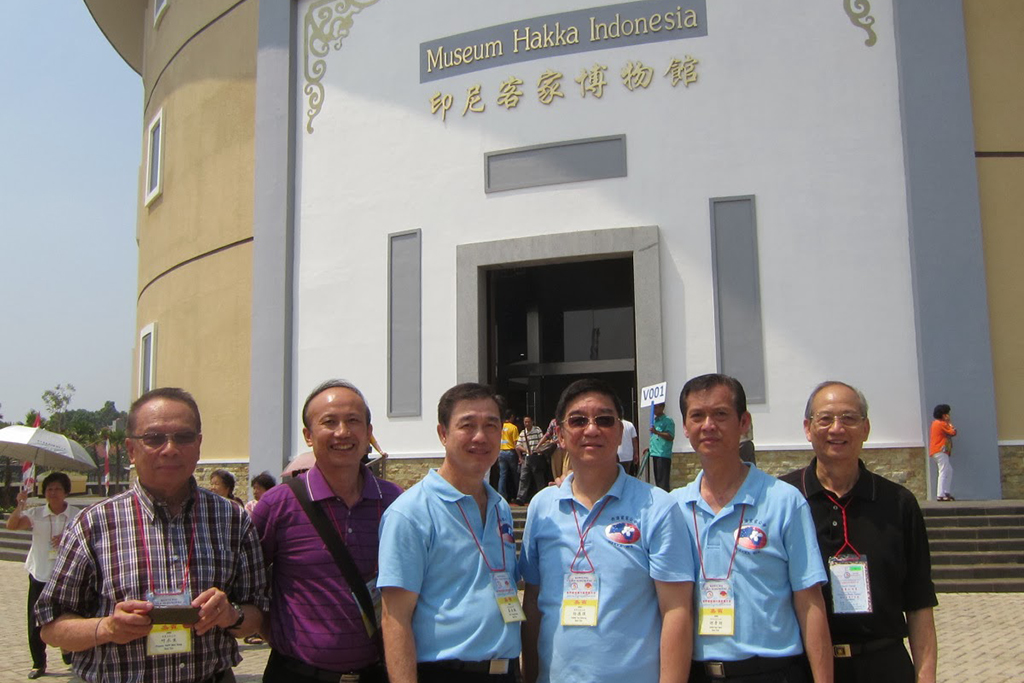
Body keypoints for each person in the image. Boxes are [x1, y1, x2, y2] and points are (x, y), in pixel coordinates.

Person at [35, 387, 268, 683]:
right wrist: (108, 628)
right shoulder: (93, 524)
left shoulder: (233, 520)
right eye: (154, 438)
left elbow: (257, 614)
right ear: (131, 449)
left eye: (183, 437)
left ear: (198, 445)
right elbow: (51, 627)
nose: (170, 449)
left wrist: (231, 614)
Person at [519, 379, 694, 683]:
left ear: (620, 432)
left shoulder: (657, 507)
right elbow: (532, 600)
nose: (591, 429)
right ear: (560, 435)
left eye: (604, 420)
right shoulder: (542, 506)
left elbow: (676, 610)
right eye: (578, 420)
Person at [672, 373, 832, 683]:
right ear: (686, 427)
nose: (708, 425)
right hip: (698, 672)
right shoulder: (674, 508)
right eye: (697, 416)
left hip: (772, 671)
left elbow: (810, 602)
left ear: (743, 422)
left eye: (721, 414)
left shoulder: (784, 501)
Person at [781, 381, 937, 683]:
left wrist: (926, 676)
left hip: (884, 665)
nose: (837, 428)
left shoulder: (898, 502)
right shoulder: (784, 498)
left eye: (849, 418)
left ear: (865, 428)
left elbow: (919, 602)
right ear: (808, 428)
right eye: (825, 419)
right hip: (804, 668)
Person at [252, 379, 402, 683]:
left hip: (376, 673)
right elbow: (250, 585)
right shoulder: (278, 504)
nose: (342, 432)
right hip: (296, 674)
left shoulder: (395, 501)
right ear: (308, 435)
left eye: (353, 421)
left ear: (369, 433)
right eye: (329, 422)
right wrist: (279, 632)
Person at [379, 383, 522, 683]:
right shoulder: (410, 513)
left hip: (505, 671)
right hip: (446, 673)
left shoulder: (500, 507)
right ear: (443, 434)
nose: (480, 436)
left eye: (491, 425)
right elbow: (395, 618)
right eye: (467, 425)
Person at [6, 472, 80, 679]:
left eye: (57, 489)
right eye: (49, 489)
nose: (53, 493)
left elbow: (86, 539)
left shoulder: (76, 515)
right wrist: (20, 505)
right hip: (40, 573)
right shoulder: (36, 513)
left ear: (66, 492)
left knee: (67, 616)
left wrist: (66, 537)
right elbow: (12, 525)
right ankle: (38, 663)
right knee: (35, 621)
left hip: (66, 575)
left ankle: (68, 648)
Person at [514, 415, 546, 505]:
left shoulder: (537, 430)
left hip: (536, 457)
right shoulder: (522, 433)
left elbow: (542, 440)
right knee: (523, 478)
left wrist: (538, 449)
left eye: (528, 422)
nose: (527, 424)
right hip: (526, 457)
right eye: (525, 422)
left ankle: (542, 497)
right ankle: (520, 497)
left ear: (532, 422)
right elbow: (518, 445)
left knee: (539, 478)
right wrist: (526, 450)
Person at [929, 404, 956, 501]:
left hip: (937, 450)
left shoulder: (935, 423)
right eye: (947, 413)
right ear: (943, 414)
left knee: (949, 470)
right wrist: (949, 422)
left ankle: (945, 491)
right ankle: (940, 494)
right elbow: (953, 432)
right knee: (944, 470)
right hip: (940, 450)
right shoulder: (941, 423)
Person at [648, 401, 675, 491]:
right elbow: (655, 438)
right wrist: (650, 448)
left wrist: (657, 432)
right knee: (658, 482)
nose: (654, 410)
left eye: (656, 407)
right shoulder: (655, 421)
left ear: (662, 407)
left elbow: (670, 436)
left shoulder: (668, 421)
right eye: (653, 407)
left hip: (663, 454)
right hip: (655, 453)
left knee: (663, 483)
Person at [497, 411, 520, 502]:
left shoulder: (500, 427)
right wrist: (519, 456)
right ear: (511, 417)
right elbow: (515, 443)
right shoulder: (513, 427)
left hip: (501, 451)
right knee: (515, 474)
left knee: (502, 475)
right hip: (510, 452)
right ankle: (517, 494)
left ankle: (501, 494)